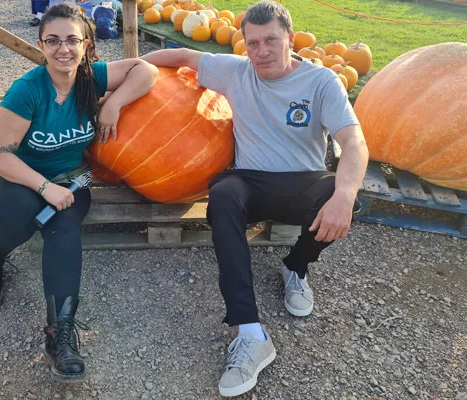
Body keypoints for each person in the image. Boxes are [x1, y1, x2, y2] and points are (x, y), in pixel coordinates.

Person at [141, 1, 368, 397]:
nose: (261, 51)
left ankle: (295, 267)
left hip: (303, 182)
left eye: (271, 41)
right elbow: (180, 54)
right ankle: (249, 331)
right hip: (251, 182)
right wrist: (131, 67)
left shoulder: (321, 82)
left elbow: (354, 142)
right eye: (253, 42)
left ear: (291, 40)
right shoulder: (236, 70)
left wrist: (346, 194)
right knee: (223, 194)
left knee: (345, 197)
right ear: (244, 43)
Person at [0, 2, 157, 382]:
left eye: (72, 40)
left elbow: (147, 68)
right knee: (22, 210)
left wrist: (115, 105)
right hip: (13, 178)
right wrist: (43, 186)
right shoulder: (27, 91)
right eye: (53, 40)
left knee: (64, 229)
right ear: (41, 45)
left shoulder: (92, 78)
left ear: (87, 44)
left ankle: (59, 334)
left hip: (72, 180)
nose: (63, 49)